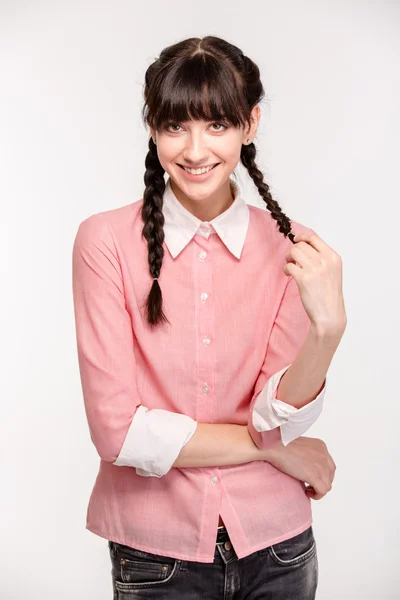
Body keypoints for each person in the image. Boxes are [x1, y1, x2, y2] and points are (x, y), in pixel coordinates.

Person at [72, 35, 345, 600]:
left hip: (279, 547)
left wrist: (328, 332)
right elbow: (118, 432)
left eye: (217, 125)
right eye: (176, 126)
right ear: (152, 127)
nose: (196, 150)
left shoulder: (297, 250)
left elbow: (277, 419)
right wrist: (281, 454)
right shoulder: (104, 243)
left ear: (250, 124)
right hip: (156, 551)